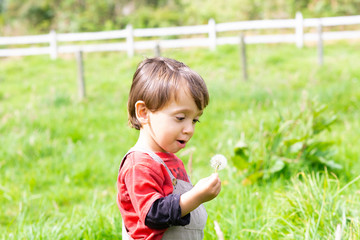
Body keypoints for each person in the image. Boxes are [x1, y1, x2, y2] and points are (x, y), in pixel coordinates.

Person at [117, 57, 222, 240]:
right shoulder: (139, 165)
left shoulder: (170, 160)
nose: (189, 129)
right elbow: (153, 215)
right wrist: (196, 196)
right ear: (143, 113)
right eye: (180, 118)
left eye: (195, 120)